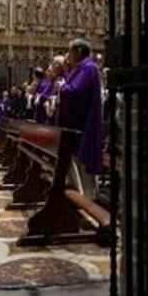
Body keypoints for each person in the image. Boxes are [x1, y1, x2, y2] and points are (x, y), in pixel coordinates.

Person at [57, 39, 103, 196]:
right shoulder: (81, 68)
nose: (68, 56)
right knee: (74, 165)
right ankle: (77, 194)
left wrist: (63, 87)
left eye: (70, 52)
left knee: (82, 165)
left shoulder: (88, 68)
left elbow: (76, 93)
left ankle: (86, 197)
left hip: (82, 126)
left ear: (78, 51)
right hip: (75, 126)